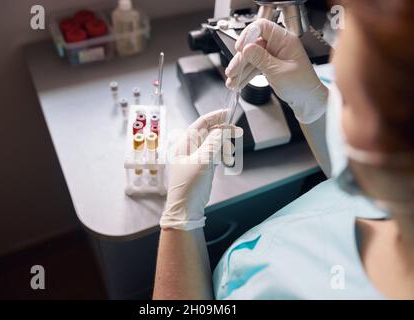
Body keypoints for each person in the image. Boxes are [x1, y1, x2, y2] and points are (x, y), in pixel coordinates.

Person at [153, 0, 414, 299]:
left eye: (345, 97)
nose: (335, 103)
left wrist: (178, 222)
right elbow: (365, 179)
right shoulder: (393, 199)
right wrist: (312, 100)